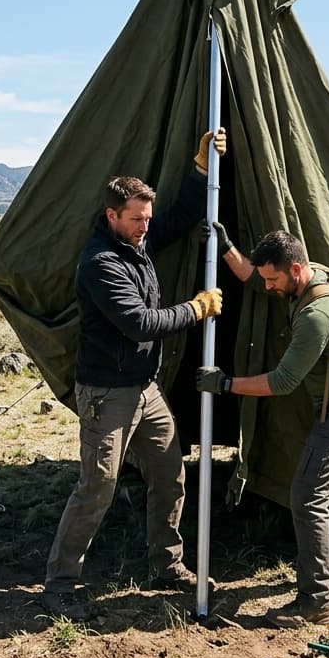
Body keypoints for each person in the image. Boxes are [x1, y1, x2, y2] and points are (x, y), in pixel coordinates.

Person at [42, 129, 227, 620]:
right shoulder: (101, 263)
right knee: (97, 486)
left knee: (170, 473)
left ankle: (166, 565)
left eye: (147, 218)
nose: (146, 226)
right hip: (108, 394)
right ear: (112, 217)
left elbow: (179, 218)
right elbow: (140, 323)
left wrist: (200, 170)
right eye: (137, 219)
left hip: (144, 390)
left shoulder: (135, 244)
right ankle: (60, 582)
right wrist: (197, 308)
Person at [196, 227, 329, 629]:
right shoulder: (309, 278)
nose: (267, 286)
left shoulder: (316, 316)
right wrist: (227, 246)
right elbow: (255, 276)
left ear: (296, 270)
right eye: (267, 277)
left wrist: (226, 384)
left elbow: (283, 382)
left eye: (274, 279)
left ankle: (316, 600)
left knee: (307, 497)